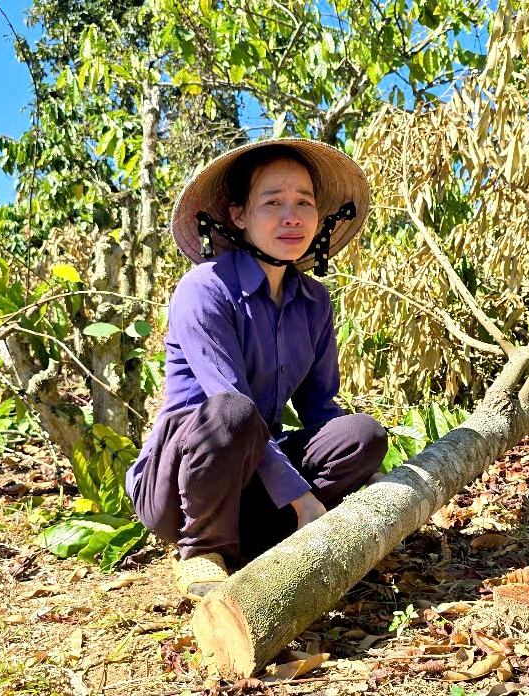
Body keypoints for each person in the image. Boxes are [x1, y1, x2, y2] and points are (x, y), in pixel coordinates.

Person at [125, 138, 388, 601]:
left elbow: (320, 408)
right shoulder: (204, 289)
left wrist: (366, 477)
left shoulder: (314, 302)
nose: (292, 216)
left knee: (363, 434)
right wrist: (304, 496)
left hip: (253, 482)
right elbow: (228, 405)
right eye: (273, 202)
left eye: (304, 203)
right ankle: (202, 549)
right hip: (180, 486)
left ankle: (265, 536)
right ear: (239, 216)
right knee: (234, 411)